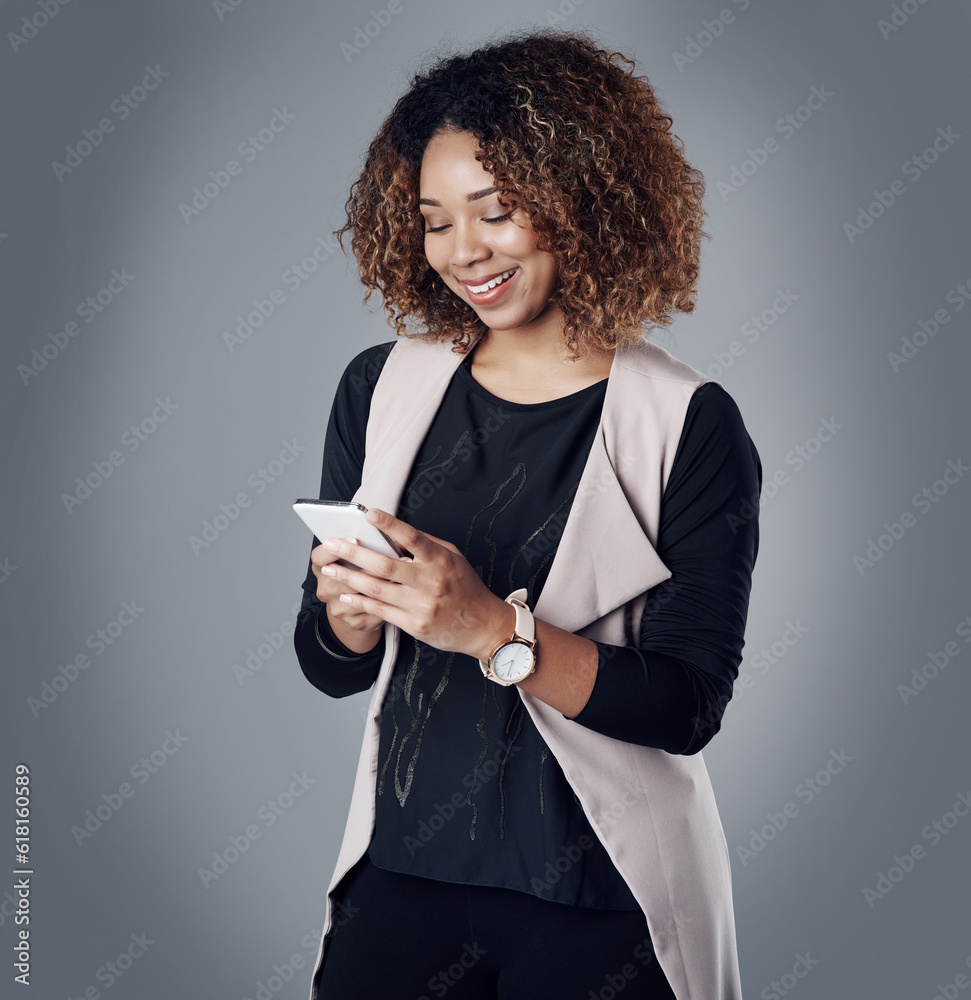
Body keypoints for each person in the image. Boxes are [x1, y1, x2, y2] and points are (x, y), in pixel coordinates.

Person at [294, 29, 761, 1000]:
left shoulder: (684, 422)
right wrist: (347, 613)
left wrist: (491, 630)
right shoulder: (380, 388)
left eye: (495, 211)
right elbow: (327, 662)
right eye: (432, 219)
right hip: (401, 880)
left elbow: (685, 704)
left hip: (598, 901)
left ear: (584, 198)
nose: (461, 251)